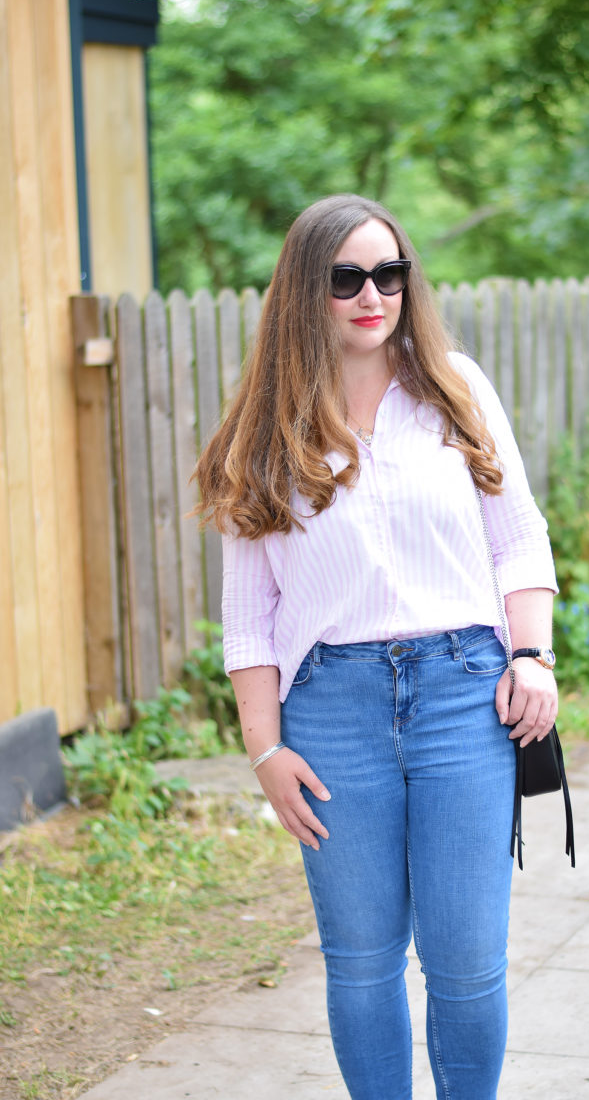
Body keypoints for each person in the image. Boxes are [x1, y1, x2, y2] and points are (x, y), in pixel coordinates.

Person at [195, 194, 558, 1100]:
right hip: (331, 711)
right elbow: (250, 616)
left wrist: (534, 657)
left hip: (465, 695)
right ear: (304, 290)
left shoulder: (456, 390)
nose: (373, 294)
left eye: (389, 273)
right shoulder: (264, 432)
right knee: (360, 962)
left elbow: (518, 539)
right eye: (347, 277)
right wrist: (265, 746)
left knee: (468, 959)